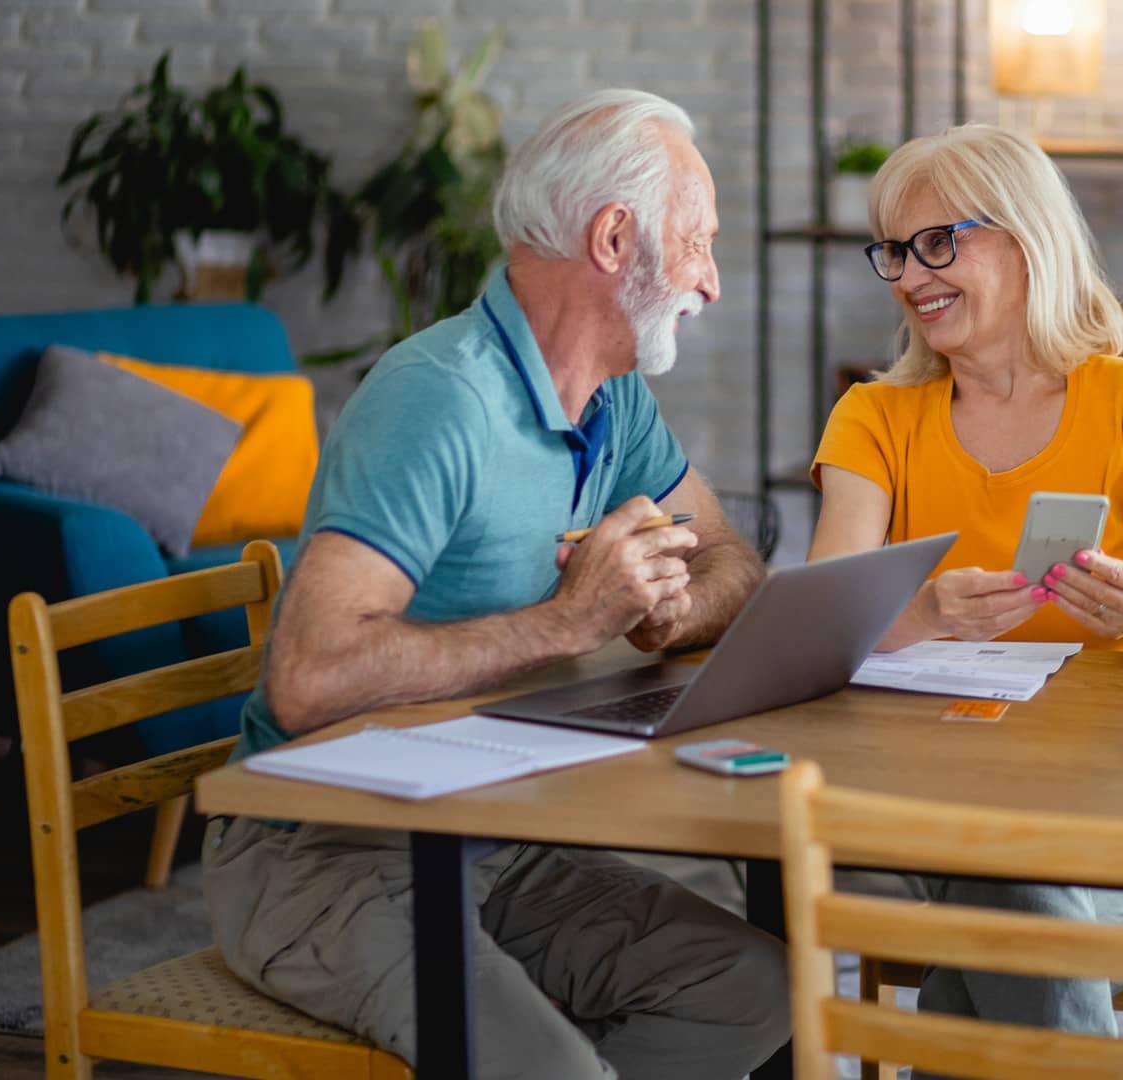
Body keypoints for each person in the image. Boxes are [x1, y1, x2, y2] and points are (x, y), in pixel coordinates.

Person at [202, 90, 789, 1080]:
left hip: (498, 833)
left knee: (751, 987)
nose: (713, 282)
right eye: (700, 243)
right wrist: (568, 619)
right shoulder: (438, 398)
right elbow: (305, 679)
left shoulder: (617, 402)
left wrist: (675, 606)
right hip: (322, 853)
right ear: (615, 238)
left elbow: (734, 557)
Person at [807, 124, 1123, 1051]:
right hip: (937, 804)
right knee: (1003, 873)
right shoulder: (874, 417)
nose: (909, 275)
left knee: (1001, 899)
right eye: (894, 250)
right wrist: (924, 613)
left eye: (939, 243)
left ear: (1027, 239)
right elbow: (817, 632)